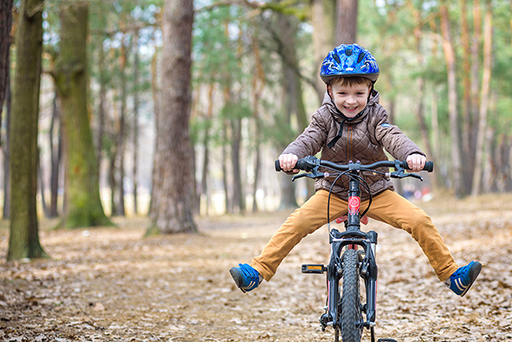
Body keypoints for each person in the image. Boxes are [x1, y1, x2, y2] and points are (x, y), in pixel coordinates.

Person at [229, 43, 481, 297]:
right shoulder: (323, 118)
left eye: (359, 93)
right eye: (343, 94)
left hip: (375, 192)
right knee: (296, 223)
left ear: (370, 90)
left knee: (419, 220)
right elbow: (308, 139)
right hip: (334, 191)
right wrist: (291, 156)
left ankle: (451, 275)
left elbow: (393, 136)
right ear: (330, 90)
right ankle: (258, 271)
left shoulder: (375, 116)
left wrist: (412, 154)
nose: (351, 101)